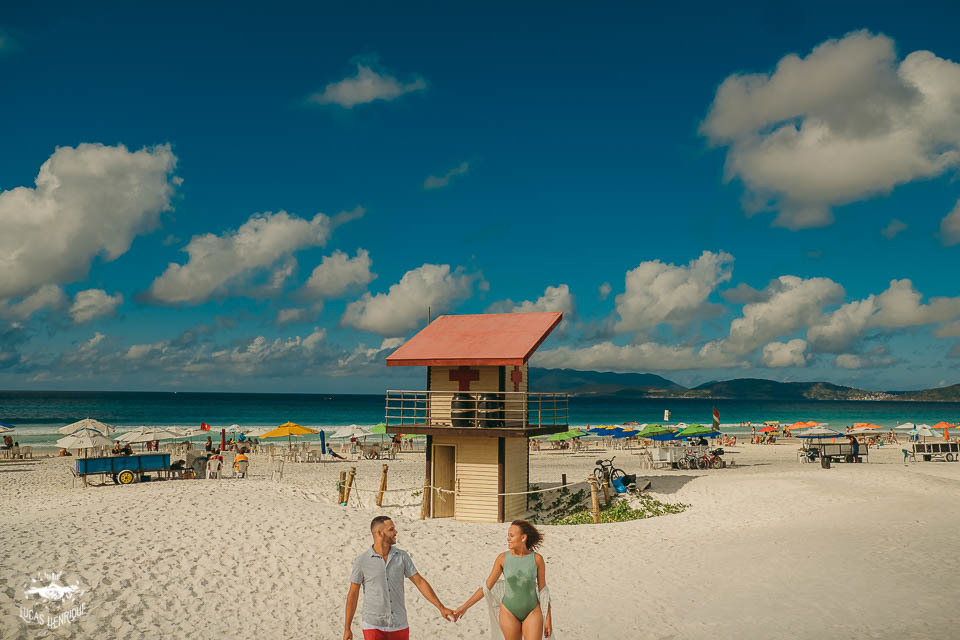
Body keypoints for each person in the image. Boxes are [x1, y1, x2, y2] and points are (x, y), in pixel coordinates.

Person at [344, 515, 454, 640]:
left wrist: (441, 607)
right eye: (391, 530)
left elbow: (419, 582)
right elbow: (353, 593)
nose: (396, 532)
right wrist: (347, 628)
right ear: (379, 533)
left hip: (399, 624)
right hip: (373, 625)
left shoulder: (402, 556)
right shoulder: (362, 561)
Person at [454, 519, 553, 639]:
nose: (508, 539)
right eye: (508, 535)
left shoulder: (537, 559)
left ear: (523, 538)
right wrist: (464, 607)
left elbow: (543, 591)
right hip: (508, 612)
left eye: (511, 536)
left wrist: (548, 618)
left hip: (533, 610)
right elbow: (486, 587)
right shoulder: (502, 558)